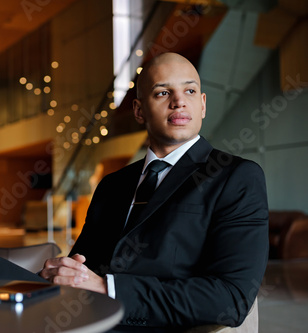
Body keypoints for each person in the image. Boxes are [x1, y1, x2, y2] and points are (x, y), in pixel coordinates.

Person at [38, 52, 269, 331]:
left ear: (203, 104)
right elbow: (85, 264)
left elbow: (231, 299)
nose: (179, 101)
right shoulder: (113, 185)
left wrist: (108, 287)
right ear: (138, 110)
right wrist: (64, 273)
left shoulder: (236, 177)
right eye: (162, 93)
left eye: (190, 91)